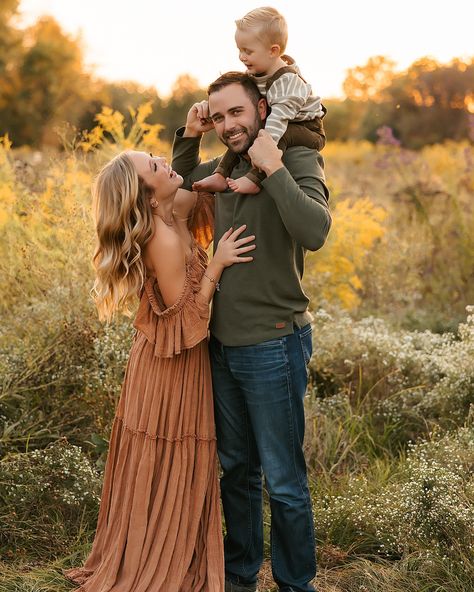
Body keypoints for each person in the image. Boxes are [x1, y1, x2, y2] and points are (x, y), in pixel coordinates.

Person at [64, 150, 256, 592]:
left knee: (170, 461)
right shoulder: (162, 239)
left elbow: (197, 194)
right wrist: (219, 263)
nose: (163, 163)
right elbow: (186, 318)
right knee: (171, 456)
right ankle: (156, 559)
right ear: (148, 200)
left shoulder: (172, 213)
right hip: (171, 369)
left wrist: (193, 133)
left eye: (153, 155)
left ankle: (166, 546)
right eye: (154, 167)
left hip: (164, 362)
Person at [172, 72, 331, 592]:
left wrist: (275, 167)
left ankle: (295, 584)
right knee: (236, 473)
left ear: (263, 107)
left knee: (284, 482)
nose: (228, 125)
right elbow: (180, 186)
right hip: (222, 345)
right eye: (218, 117)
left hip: (275, 341)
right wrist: (189, 133)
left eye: (236, 113)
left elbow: (315, 231)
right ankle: (240, 579)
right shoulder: (227, 166)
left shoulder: (296, 157)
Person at [194, 6, 326, 195]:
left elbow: (278, 120)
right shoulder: (258, 71)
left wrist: (262, 146)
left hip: (308, 129)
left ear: (273, 51)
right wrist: (215, 110)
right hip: (280, 121)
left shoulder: (287, 81)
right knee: (242, 131)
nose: (242, 57)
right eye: (239, 50)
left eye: (248, 51)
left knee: (273, 136)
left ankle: (256, 178)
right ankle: (221, 174)